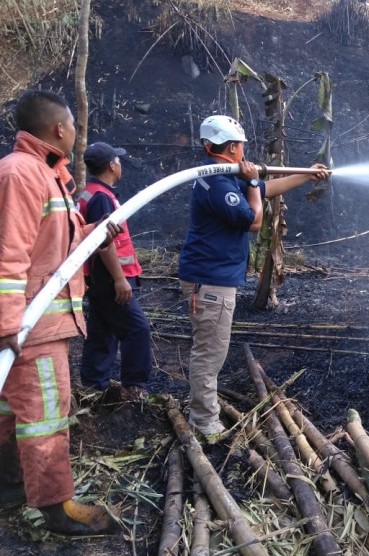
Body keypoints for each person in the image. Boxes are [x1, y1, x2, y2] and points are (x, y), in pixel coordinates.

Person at [0, 90, 120, 535]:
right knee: (46, 413)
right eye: (72, 125)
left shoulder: (45, 175)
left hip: (32, 321)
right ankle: (57, 507)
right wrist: (9, 322)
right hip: (31, 325)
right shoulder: (22, 174)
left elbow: (53, 249)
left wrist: (94, 234)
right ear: (59, 129)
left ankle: (10, 484)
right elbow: (8, 255)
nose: (74, 133)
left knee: (13, 411)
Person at [178, 115, 328, 443]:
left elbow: (266, 188)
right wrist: (252, 188)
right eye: (242, 145)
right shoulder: (216, 183)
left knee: (211, 348)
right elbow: (254, 220)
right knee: (210, 351)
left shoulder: (228, 176)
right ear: (232, 147)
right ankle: (205, 422)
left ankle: (203, 409)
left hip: (215, 279)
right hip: (210, 281)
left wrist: (304, 176)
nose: (246, 150)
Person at [75, 142, 152, 402]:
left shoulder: (93, 193)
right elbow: (103, 241)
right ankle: (134, 385)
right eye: (118, 161)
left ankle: (94, 384)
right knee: (137, 328)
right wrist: (120, 279)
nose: (120, 164)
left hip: (100, 277)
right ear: (111, 165)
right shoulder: (101, 198)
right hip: (108, 277)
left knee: (102, 328)